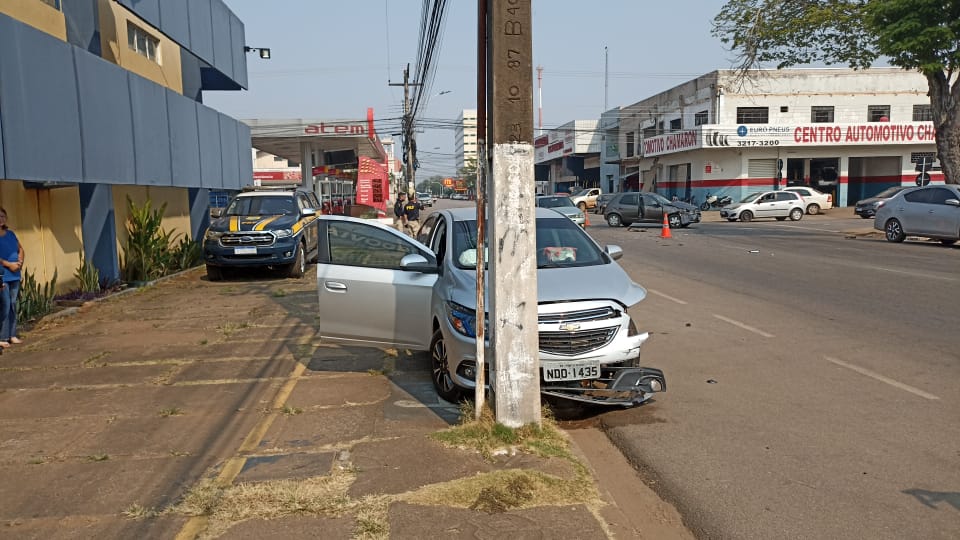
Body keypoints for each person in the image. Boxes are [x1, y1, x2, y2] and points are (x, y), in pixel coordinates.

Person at [0, 207, 24, 348]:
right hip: (2, 276)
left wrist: (19, 262)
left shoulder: (11, 234)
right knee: (4, 305)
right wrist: (9, 264)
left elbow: (20, 249)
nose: (1, 219)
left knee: (13, 305)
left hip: (15, 275)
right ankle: (2, 337)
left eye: (3, 216)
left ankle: (12, 335)